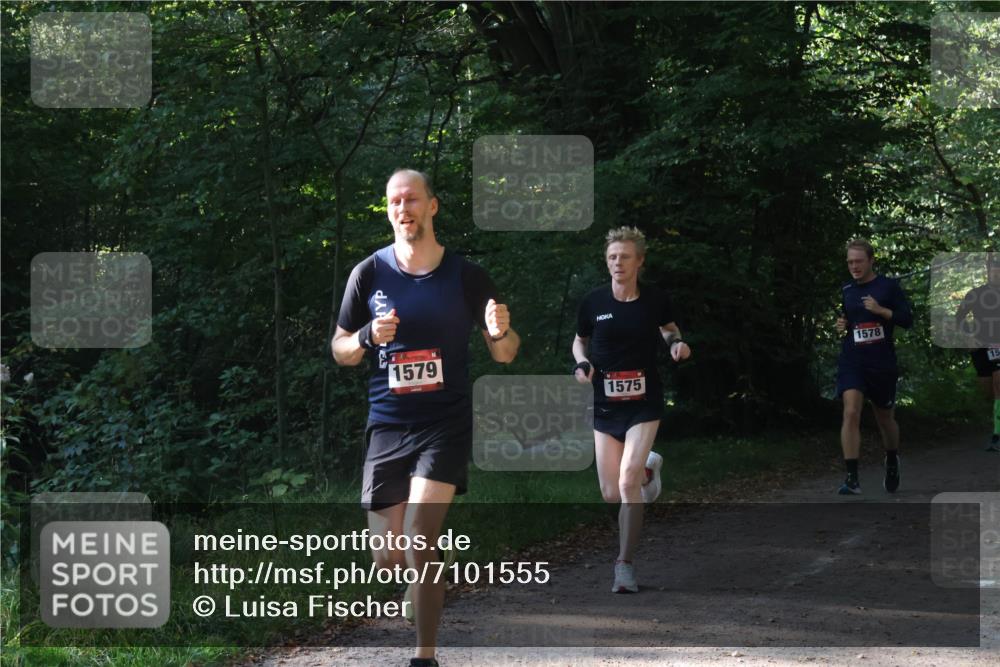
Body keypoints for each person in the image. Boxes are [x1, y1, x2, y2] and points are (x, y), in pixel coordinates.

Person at [332, 169, 520, 667]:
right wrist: (369, 336)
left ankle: (425, 655)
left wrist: (499, 331)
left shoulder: (467, 276)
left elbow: (504, 354)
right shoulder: (368, 274)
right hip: (388, 424)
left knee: (419, 534)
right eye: (394, 201)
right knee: (387, 555)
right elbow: (340, 349)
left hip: (446, 422)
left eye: (412, 199)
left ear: (432, 206)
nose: (403, 209)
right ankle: (426, 574)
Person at [572, 226, 691, 593]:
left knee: (625, 483)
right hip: (606, 404)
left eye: (624, 257)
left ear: (639, 260)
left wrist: (677, 344)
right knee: (611, 492)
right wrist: (581, 364)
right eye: (611, 257)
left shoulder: (655, 299)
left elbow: (670, 330)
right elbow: (579, 342)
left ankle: (624, 565)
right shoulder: (593, 302)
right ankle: (648, 471)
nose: (617, 263)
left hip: (644, 402)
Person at [835, 239, 912, 495]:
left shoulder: (888, 287)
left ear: (870, 261)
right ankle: (852, 478)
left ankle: (892, 459)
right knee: (851, 412)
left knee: (885, 419)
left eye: (858, 261)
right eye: (849, 262)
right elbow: (848, 319)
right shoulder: (846, 288)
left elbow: (907, 319)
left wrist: (881, 310)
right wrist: (842, 325)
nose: (854, 266)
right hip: (853, 359)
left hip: (881, 362)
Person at [953, 253, 1000, 452]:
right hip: (980, 348)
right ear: (987, 273)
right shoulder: (975, 293)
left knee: (999, 387)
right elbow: (959, 317)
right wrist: (968, 337)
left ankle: (997, 436)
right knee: (988, 391)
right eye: (994, 271)